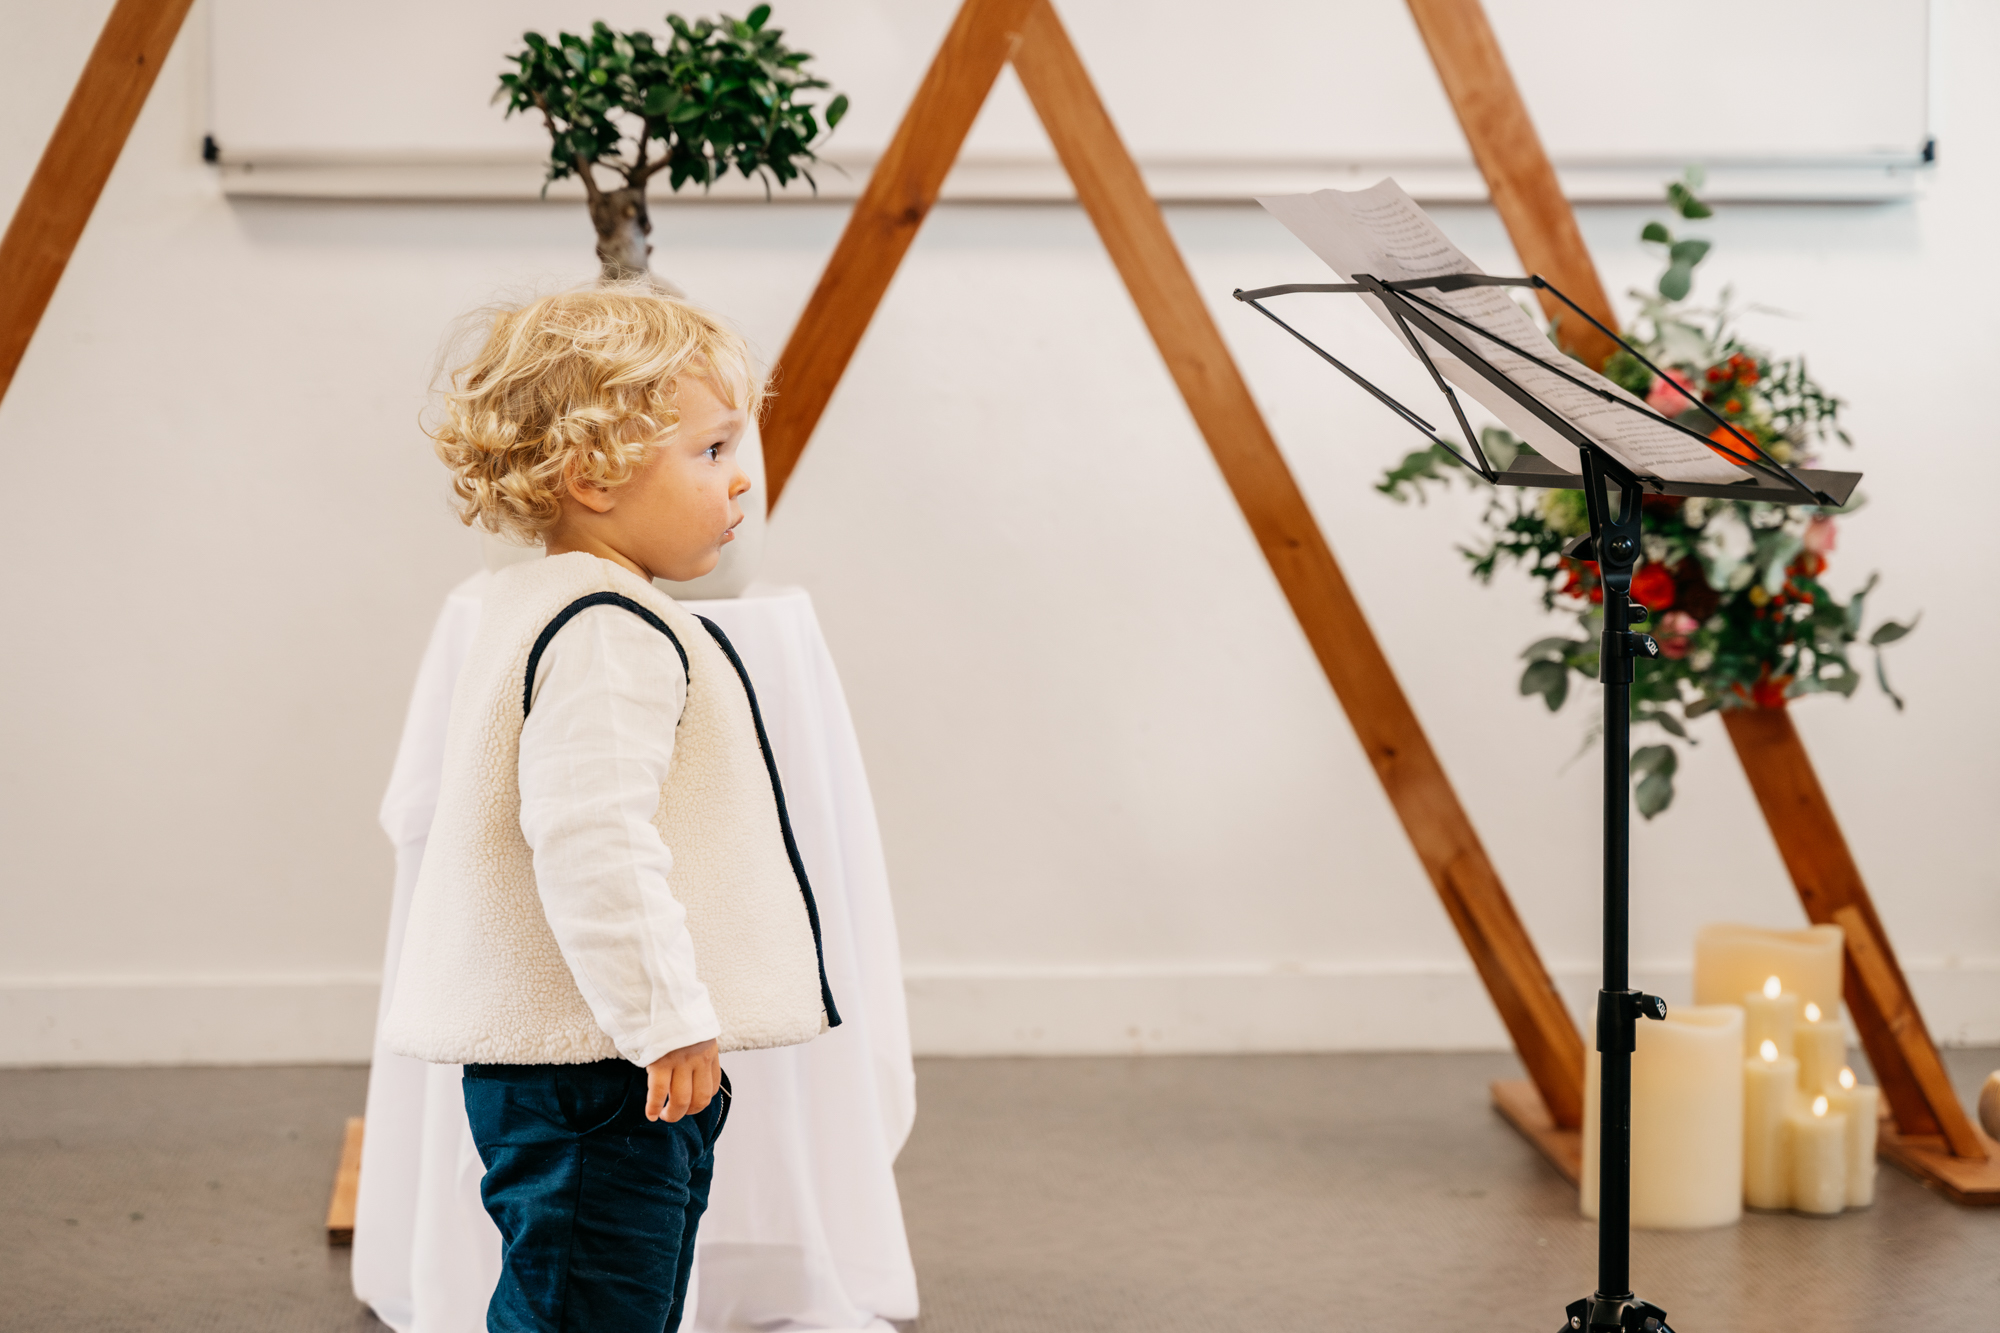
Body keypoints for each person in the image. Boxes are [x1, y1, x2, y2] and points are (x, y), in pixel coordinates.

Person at [381, 285, 839, 1333]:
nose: (741, 479)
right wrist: (664, 1016)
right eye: (711, 450)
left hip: (585, 1063)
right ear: (591, 474)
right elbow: (592, 839)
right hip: (600, 1069)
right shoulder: (604, 630)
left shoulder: (543, 601)